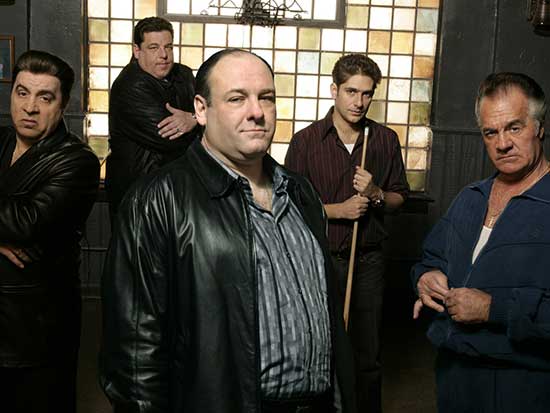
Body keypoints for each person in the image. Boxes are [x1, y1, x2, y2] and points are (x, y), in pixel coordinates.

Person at [100, 48, 356, 413]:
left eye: (266, 98)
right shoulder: (157, 200)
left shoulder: (301, 193)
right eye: (237, 98)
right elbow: (135, 355)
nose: (257, 111)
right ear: (201, 110)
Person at [412, 72, 550, 413]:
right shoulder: (470, 198)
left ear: (539, 127)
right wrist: (424, 277)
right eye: (491, 132)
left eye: (514, 127)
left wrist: (493, 309)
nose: (502, 143)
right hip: (455, 377)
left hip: (524, 386)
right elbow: (431, 258)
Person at [285, 53, 409, 413]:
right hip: (318, 259)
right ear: (334, 90)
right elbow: (290, 206)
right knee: (319, 349)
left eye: (367, 93)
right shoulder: (306, 141)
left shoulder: (384, 140)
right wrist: (337, 211)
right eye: (351, 91)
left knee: (367, 354)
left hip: (368, 260)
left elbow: (399, 198)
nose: (359, 101)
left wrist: (375, 193)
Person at [0, 50, 99, 412]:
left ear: (63, 104)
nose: (30, 107)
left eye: (45, 97)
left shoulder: (77, 161)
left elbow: (26, 224)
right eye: (22, 93)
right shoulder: (0, 140)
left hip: (36, 329)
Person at [105, 16, 198, 221]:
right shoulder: (130, 86)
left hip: (178, 191)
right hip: (137, 196)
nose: (164, 55)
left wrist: (194, 119)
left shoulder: (183, 74)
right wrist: (201, 121)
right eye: (154, 47)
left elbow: (212, 110)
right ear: (137, 51)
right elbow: (172, 139)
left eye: (168, 47)